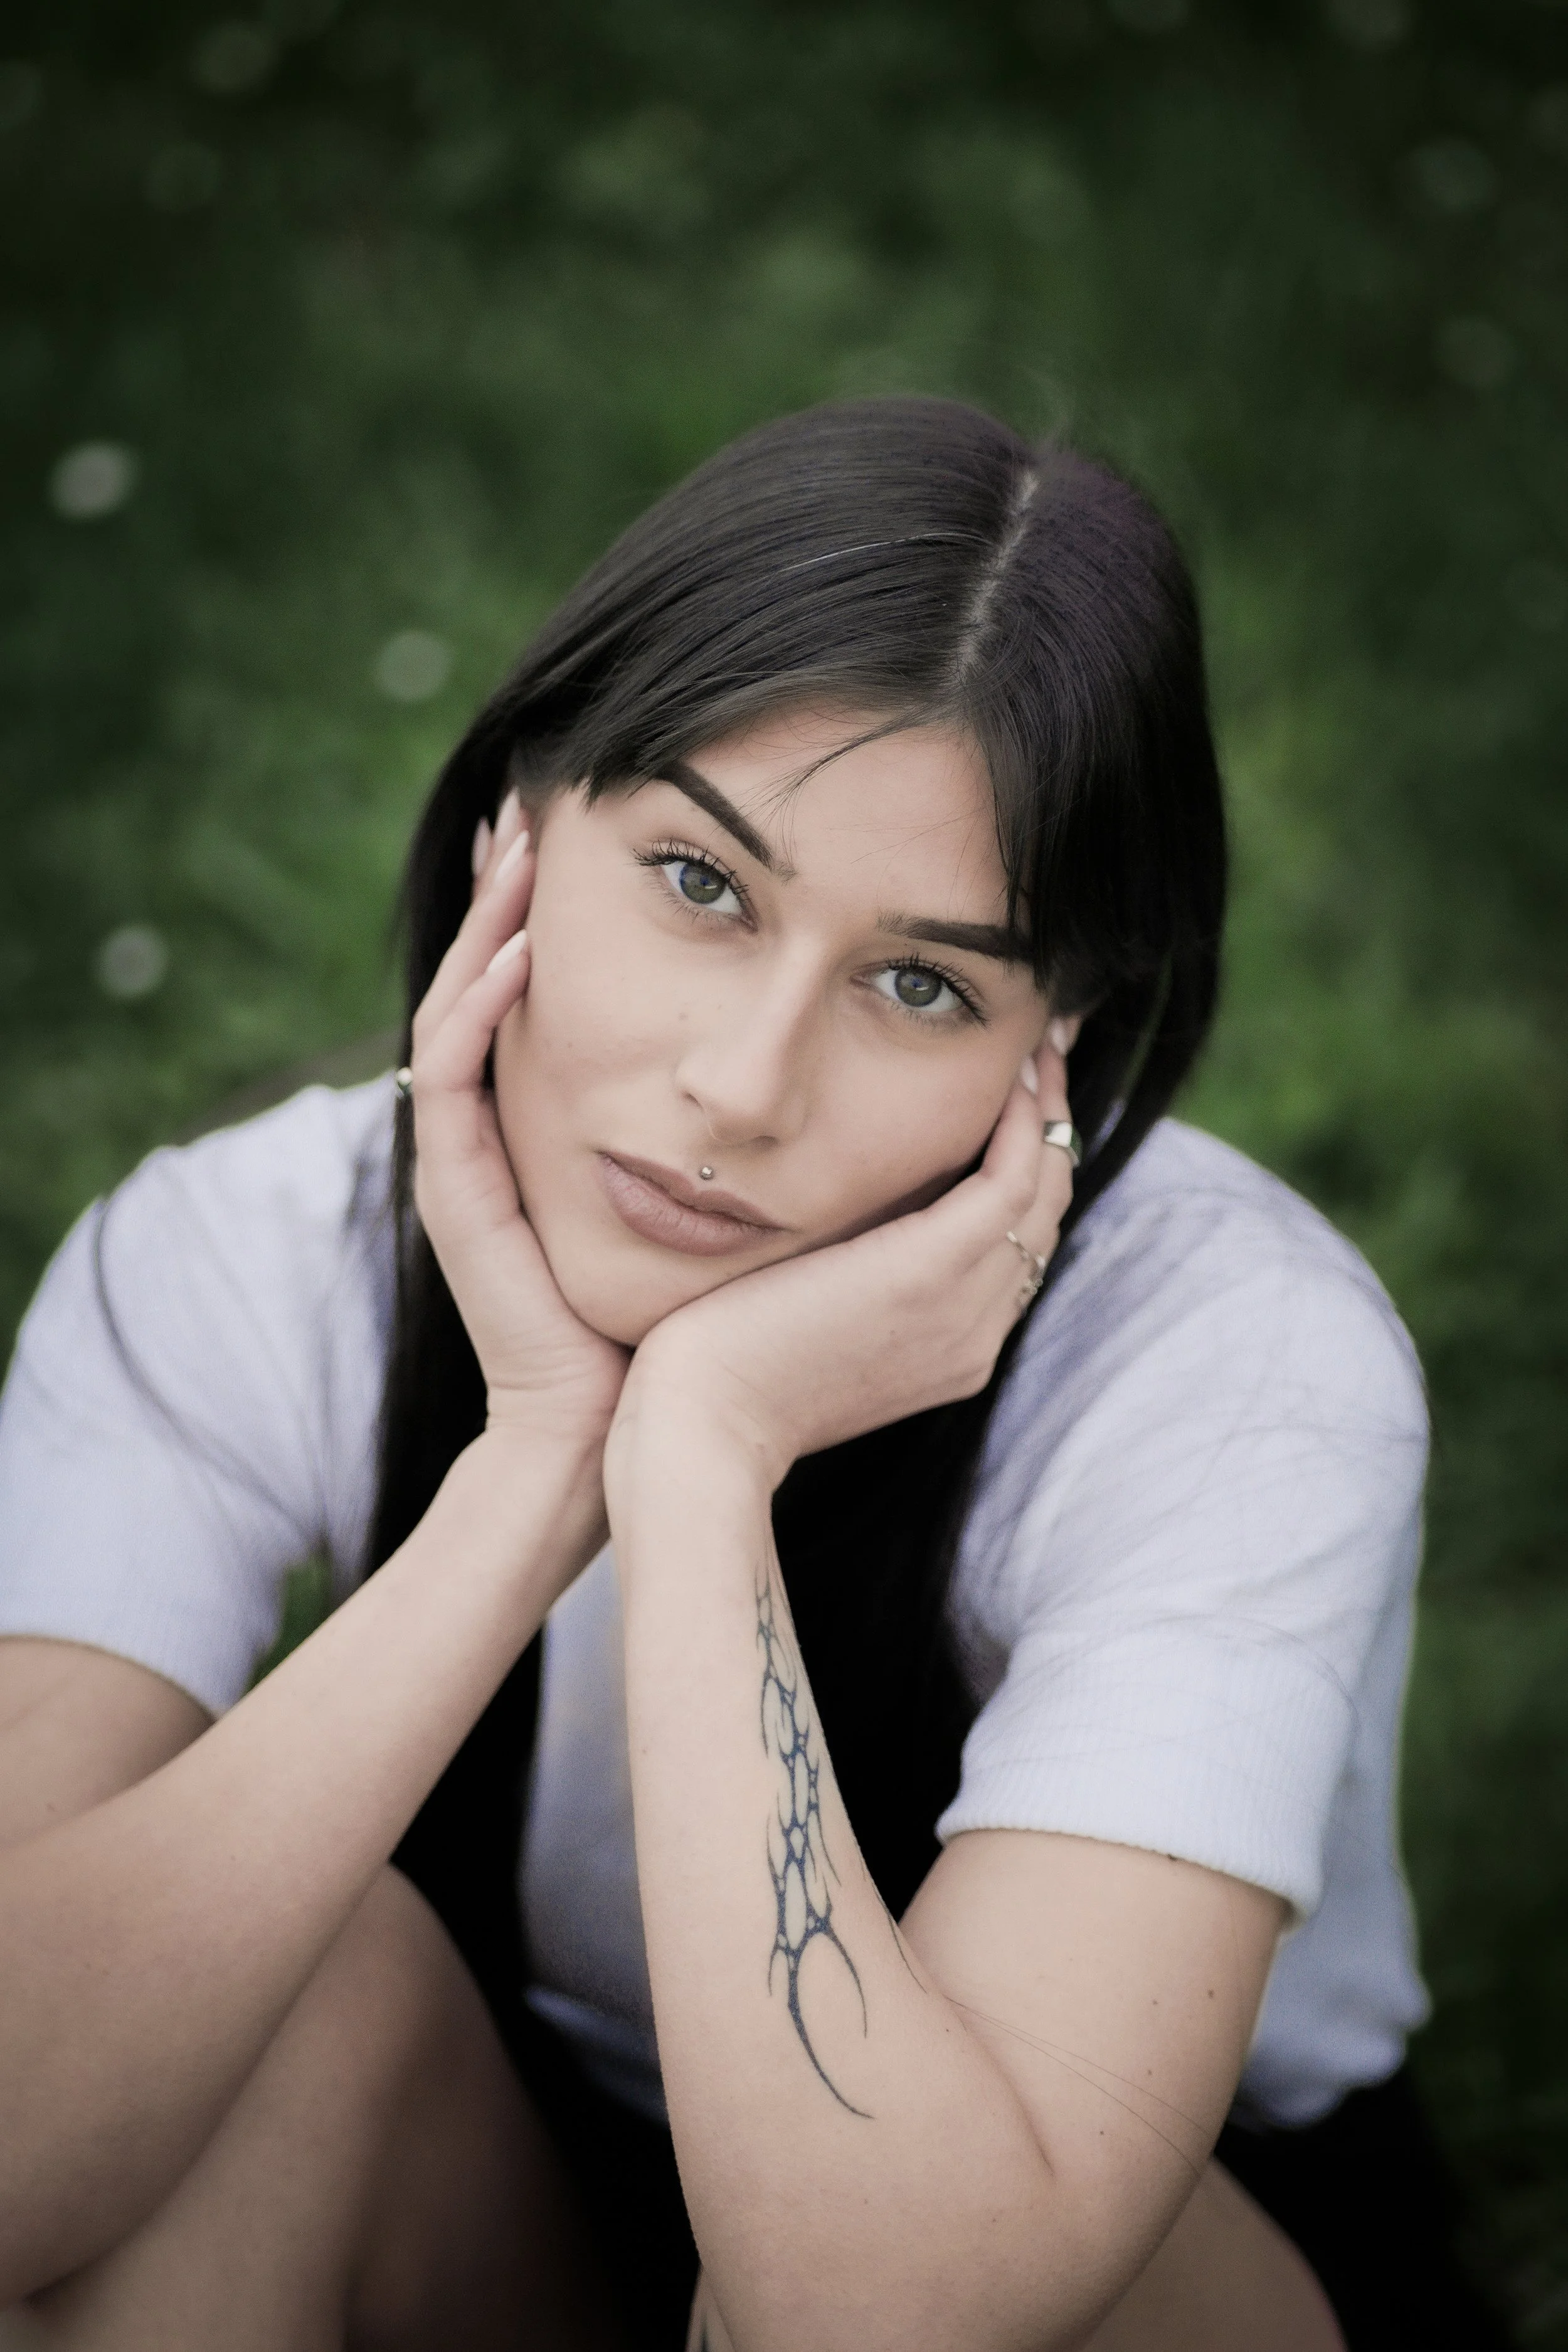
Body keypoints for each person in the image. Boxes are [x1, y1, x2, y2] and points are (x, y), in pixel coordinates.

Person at [0, 400, 1502, 2352]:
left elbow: (879, 2307)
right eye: (700, 882)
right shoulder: (241, 1256)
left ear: (1065, 1054)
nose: (742, 1083)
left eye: (921, 985)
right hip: (486, 2155)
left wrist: (697, 1457)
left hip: (1102, 2258)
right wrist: (538, 1464)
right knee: (243, 2016)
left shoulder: (1236, 1372)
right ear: (515, 833)